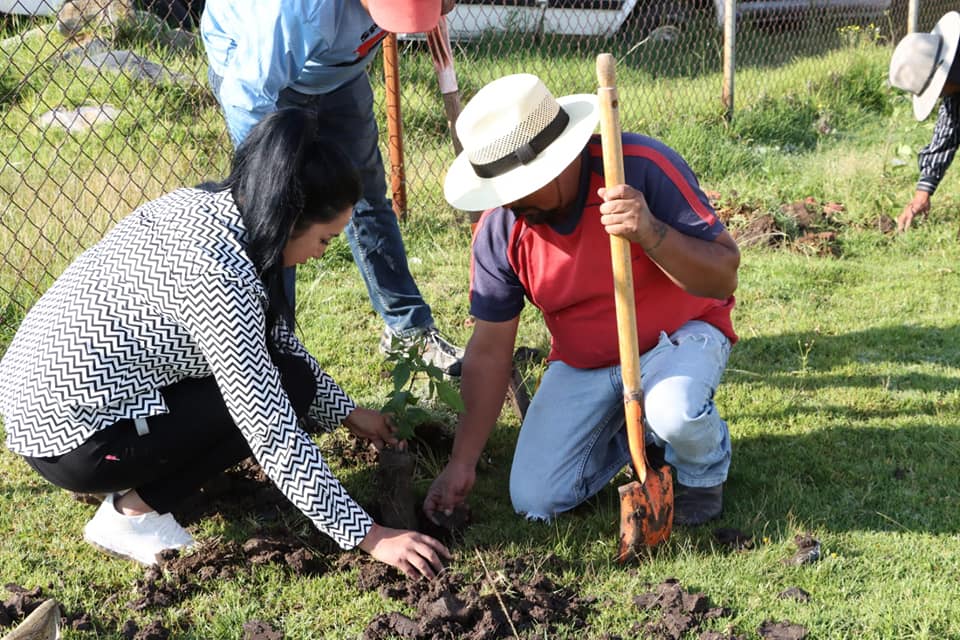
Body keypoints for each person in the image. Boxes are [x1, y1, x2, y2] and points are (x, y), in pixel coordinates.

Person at [0, 108, 449, 579]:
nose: (322, 253)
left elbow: (275, 344)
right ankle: (129, 515)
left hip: (52, 400)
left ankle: (135, 468)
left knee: (292, 380)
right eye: (325, 238)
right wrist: (371, 535)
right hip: (71, 438)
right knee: (279, 395)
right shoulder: (218, 277)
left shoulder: (222, 206)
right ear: (291, 215)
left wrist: (347, 411)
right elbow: (269, 429)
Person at [423, 74, 741, 527]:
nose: (507, 204)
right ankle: (638, 434)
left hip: (678, 340)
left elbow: (722, 277)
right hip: (582, 364)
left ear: (555, 164)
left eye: (514, 190)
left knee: (676, 411)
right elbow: (490, 351)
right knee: (535, 498)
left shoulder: (639, 167)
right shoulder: (500, 228)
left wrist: (651, 233)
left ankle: (702, 469)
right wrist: (461, 462)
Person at [199, 0, 464, 375]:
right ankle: (275, 353)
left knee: (366, 194)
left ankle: (408, 330)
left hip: (338, 76)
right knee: (280, 214)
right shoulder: (297, 9)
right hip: (262, 78)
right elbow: (246, 95)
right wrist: (268, 180)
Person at [889, 11, 960, 233]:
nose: (939, 96)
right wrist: (922, 194)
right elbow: (946, 136)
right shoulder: (955, 95)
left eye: (937, 89)